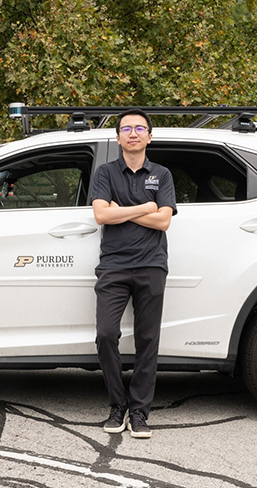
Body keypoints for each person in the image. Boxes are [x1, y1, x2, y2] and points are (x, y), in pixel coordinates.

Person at [90, 109, 177, 439]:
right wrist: (145, 207)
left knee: (147, 340)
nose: (133, 133)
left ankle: (139, 412)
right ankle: (118, 403)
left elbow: (164, 221)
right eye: (126, 128)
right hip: (113, 265)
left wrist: (119, 211)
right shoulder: (106, 172)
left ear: (149, 136)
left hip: (152, 264)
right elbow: (101, 215)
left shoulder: (162, 174)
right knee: (106, 334)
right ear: (118, 137)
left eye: (140, 128)